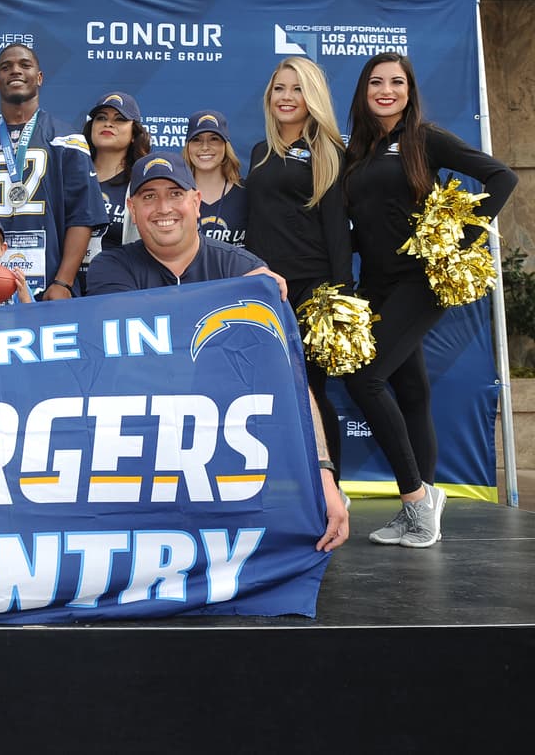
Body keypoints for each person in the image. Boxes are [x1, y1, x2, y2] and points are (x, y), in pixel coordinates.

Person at [85, 151, 348, 553]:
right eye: (149, 197)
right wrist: (235, 298)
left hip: (223, 455)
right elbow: (143, 347)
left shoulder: (243, 268)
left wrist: (324, 475)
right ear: (132, 210)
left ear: (196, 201)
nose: (163, 208)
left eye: (174, 193)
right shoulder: (111, 267)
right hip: (139, 455)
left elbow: (290, 380)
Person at [341, 52, 517, 548]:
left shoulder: (425, 137)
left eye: (397, 82)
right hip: (376, 285)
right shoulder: (359, 149)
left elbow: (503, 176)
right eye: (377, 82)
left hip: (421, 282)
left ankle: (418, 501)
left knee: (364, 377)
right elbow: (370, 222)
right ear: (364, 91)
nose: (386, 90)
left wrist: (460, 241)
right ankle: (420, 507)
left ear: (410, 90)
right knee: (412, 392)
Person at [244, 57, 351, 494]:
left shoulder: (329, 150)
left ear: (313, 98)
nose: (286, 97)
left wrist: (342, 294)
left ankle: (331, 490)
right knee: (271, 391)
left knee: (311, 392)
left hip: (313, 290)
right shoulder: (259, 151)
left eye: (297, 89)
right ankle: (285, 489)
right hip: (265, 288)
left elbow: (337, 229)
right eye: (279, 89)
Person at [0, 44, 107, 300]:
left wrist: (63, 283)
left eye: (24, 65)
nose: (15, 71)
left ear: (40, 77)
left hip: (50, 288)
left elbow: (83, 216)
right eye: (6, 67)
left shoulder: (67, 139)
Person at [79, 91, 151, 292]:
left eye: (119, 119)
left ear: (134, 135)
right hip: (67, 291)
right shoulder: (70, 176)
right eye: (101, 118)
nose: (108, 124)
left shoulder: (141, 183)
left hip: (118, 291)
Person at [183, 109, 249, 247]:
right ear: (188, 147)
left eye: (214, 139)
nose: (205, 147)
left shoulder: (248, 193)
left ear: (225, 145)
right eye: (197, 140)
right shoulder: (177, 194)